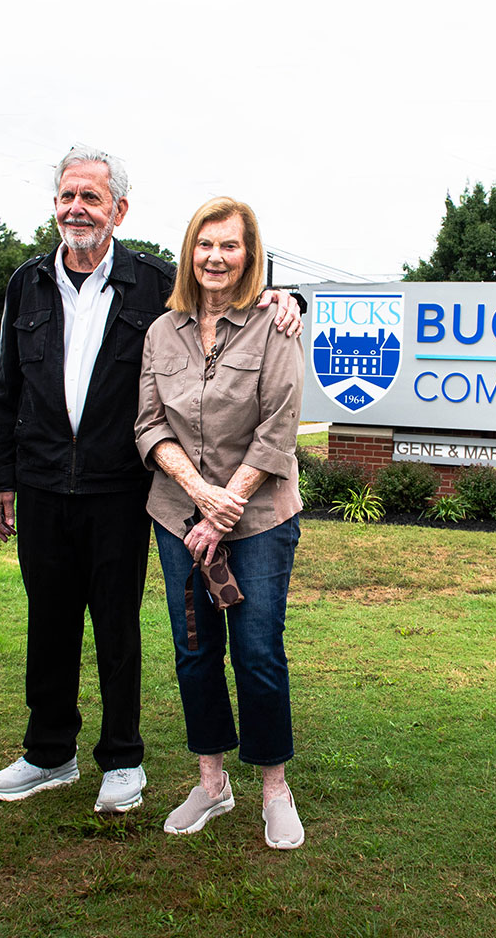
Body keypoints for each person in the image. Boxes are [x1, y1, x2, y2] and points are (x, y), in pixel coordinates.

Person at [0, 150, 300, 815]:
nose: (77, 209)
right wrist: (0, 476)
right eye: (68, 195)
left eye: (91, 198)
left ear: (118, 210)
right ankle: (48, 753)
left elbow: (221, 298)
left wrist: (286, 298)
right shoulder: (27, 283)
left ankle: (122, 759)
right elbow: (6, 387)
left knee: (118, 624)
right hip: (40, 484)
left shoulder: (151, 282)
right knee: (50, 621)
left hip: (118, 488)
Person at [134, 197, 307, 849]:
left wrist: (225, 503)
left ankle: (274, 790)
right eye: (205, 244)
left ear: (248, 253)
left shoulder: (276, 324)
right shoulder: (161, 332)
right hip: (179, 515)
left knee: (258, 653)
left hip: (259, 517)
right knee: (195, 651)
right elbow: (148, 423)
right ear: (189, 251)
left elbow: (278, 429)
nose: (215, 257)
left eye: (229, 245)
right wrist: (198, 493)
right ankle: (212, 784)